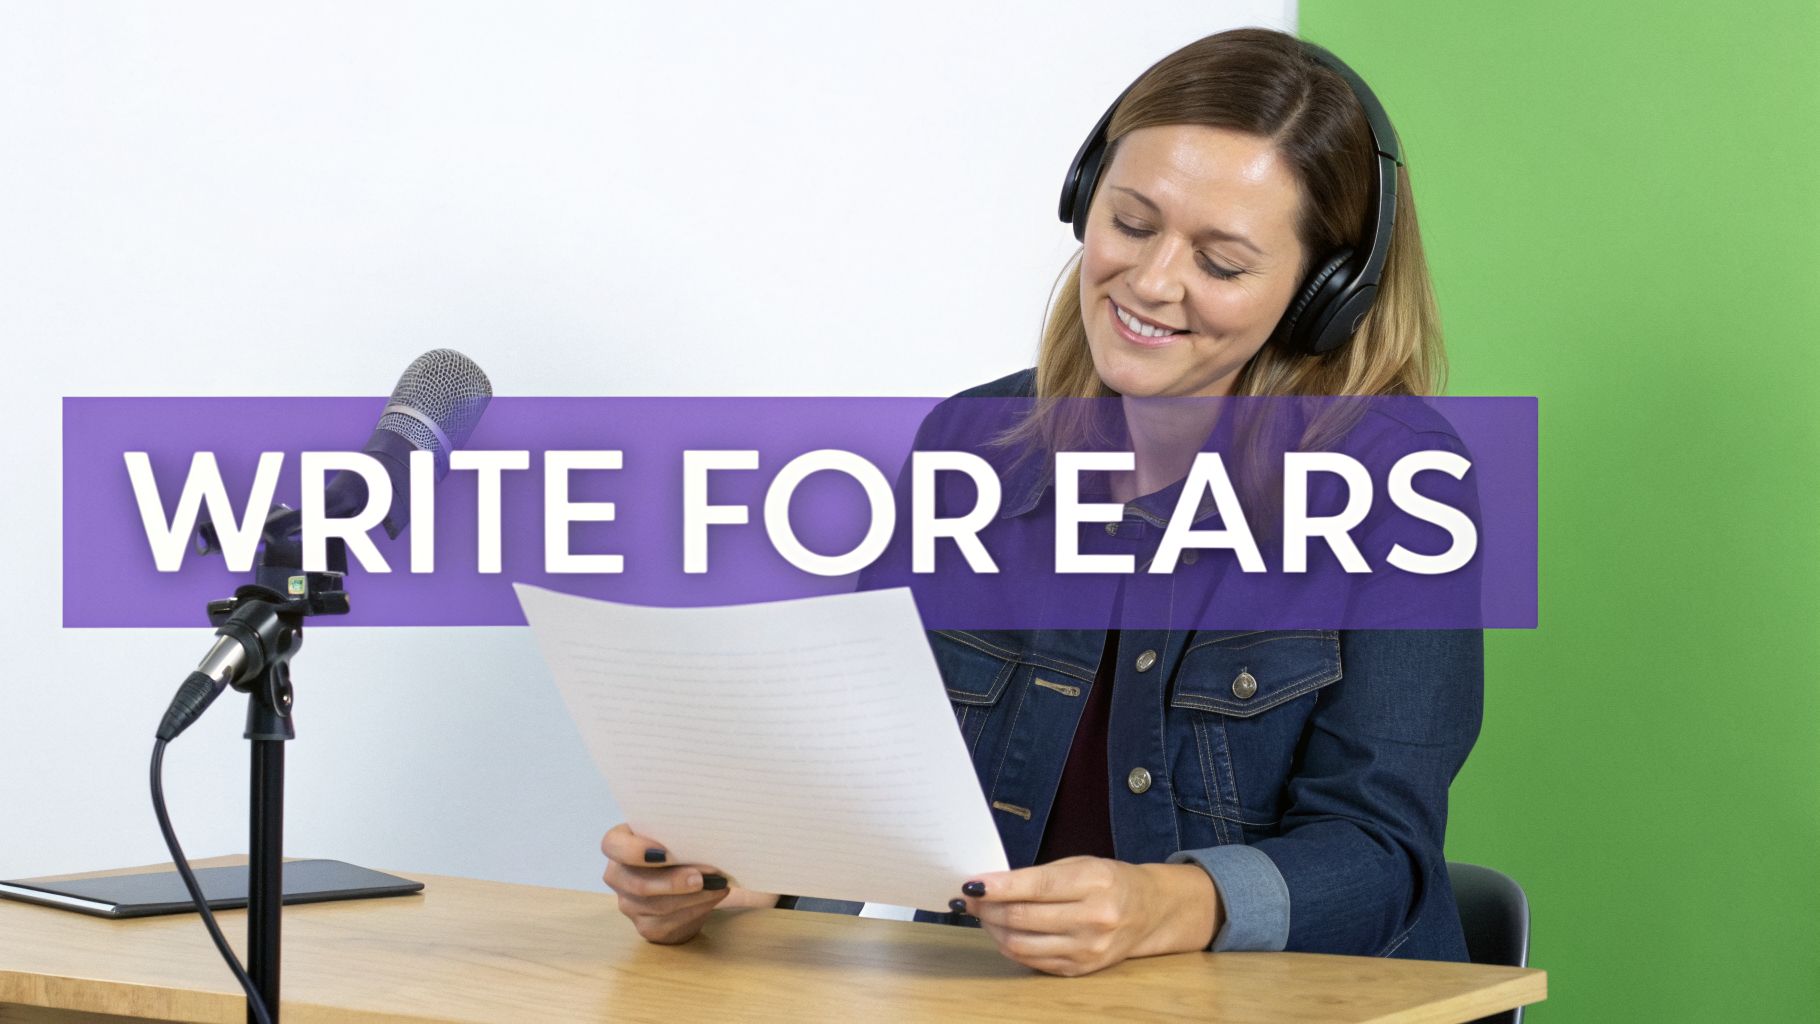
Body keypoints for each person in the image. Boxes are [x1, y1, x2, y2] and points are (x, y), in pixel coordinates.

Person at [598, 26, 1482, 976]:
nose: (1149, 282)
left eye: (1222, 264)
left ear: (1324, 295)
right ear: (1082, 197)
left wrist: (1166, 903)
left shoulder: (1403, 488)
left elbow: (1384, 855)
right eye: (1132, 223)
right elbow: (860, 766)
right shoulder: (969, 443)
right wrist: (744, 866)